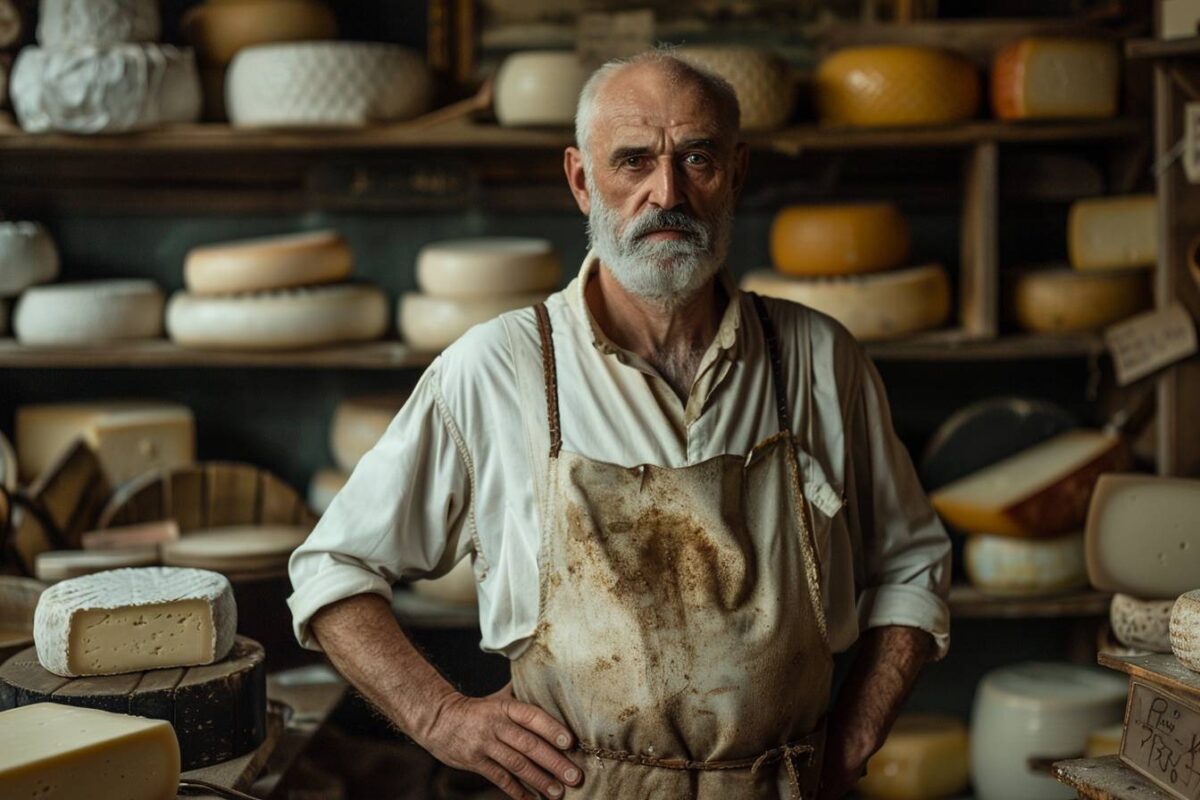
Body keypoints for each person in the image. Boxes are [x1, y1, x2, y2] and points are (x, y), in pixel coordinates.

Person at [288, 49, 952, 800]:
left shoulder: (818, 359)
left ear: (735, 172)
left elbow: (910, 564)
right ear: (581, 180)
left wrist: (860, 730)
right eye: (633, 161)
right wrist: (441, 716)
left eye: (695, 159)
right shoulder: (499, 369)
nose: (665, 194)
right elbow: (331, 570)